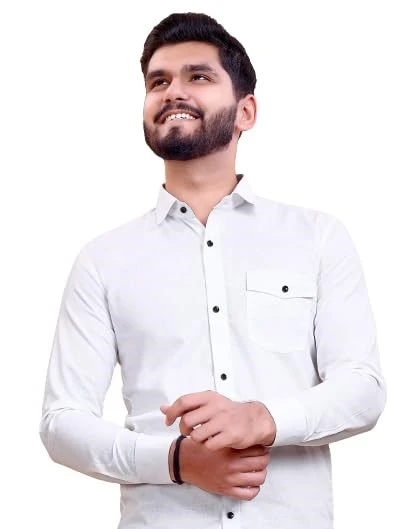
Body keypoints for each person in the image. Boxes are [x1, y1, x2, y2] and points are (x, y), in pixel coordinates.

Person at [39, 12, 386, 529]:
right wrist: (175, 461)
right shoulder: (103, 259)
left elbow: (362, 389)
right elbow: (61, 422)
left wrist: (263, 419)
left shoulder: (317, 238)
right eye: (158, 82)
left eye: (198, 76)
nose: (173, 92)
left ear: (246, 111)